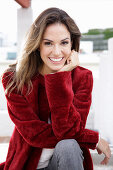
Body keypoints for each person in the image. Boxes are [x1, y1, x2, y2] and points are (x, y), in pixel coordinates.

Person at [0, 7, 111, 170]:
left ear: (73, 44)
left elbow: (68, 131)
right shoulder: (14, 79)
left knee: (68, 145)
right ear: (38, 45)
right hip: (27, 165)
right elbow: (34, 134)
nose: (57, 51)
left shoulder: (82, 78)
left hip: (65, 161)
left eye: (64, 42)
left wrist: (61, 77)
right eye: (48, 43)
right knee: (69, 141)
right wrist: (93, 139)